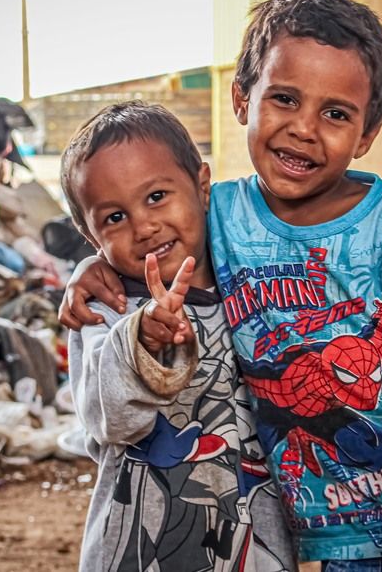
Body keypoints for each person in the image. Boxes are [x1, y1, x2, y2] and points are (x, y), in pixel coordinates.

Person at [60, 0, 382, 572]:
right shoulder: (219, 213)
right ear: (241, 99)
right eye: (284, 99)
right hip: (345, 530)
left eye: (335, 113)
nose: (304, 129)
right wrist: (93, 265)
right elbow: (146, 228)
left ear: (366, 135)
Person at [60, 101, 297, 571]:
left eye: (155, 197)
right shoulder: (106, 311)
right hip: (139, 554)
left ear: (202, 186)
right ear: (90, 237)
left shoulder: (255, 282)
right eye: (113, 218)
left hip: (255, 549)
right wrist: (140, 340)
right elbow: (112, 420)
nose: (144, 227)